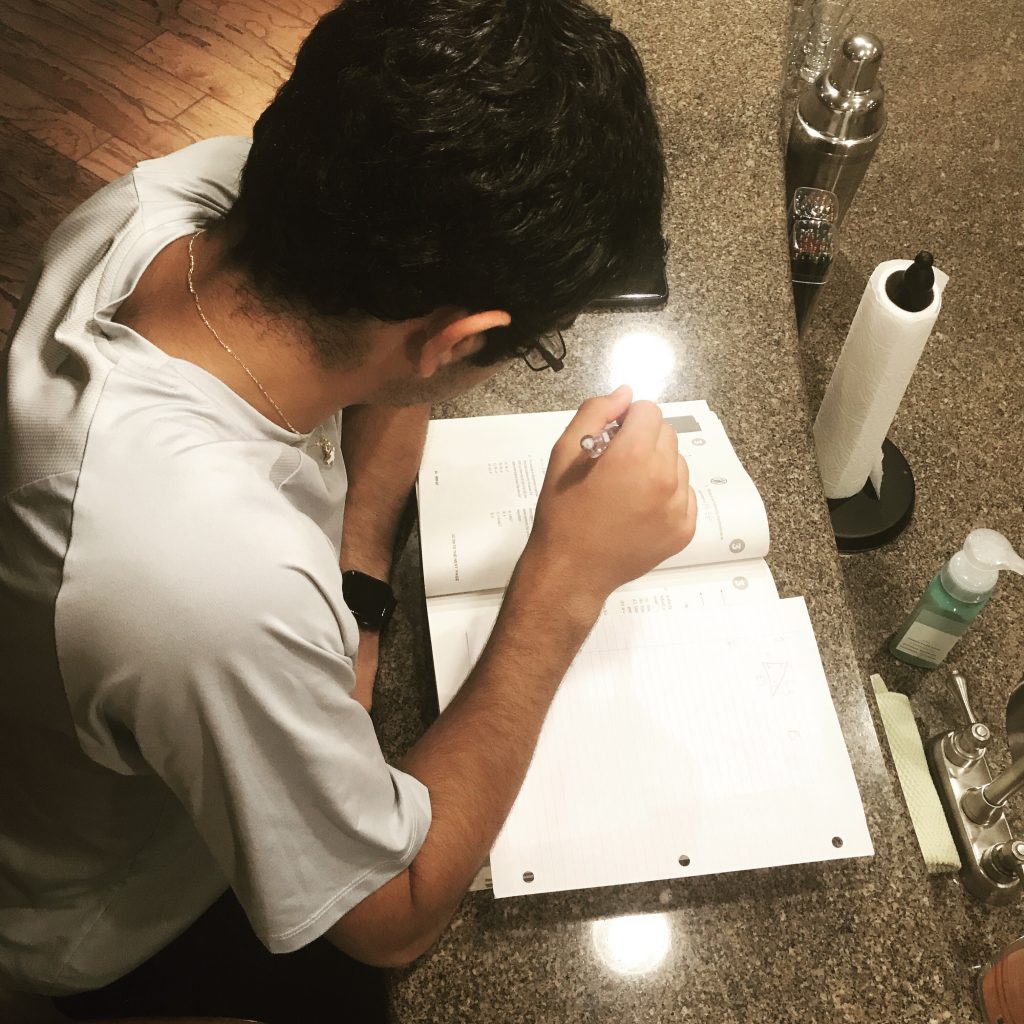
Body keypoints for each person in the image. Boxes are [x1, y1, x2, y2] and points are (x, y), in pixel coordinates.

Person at [0, 0, 695, 1020]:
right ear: (459, 341)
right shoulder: (201, 578)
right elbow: (393, 912)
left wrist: (355, 581)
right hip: (117, 914)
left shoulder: (180, 198)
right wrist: (565, 577)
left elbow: (373, 387)